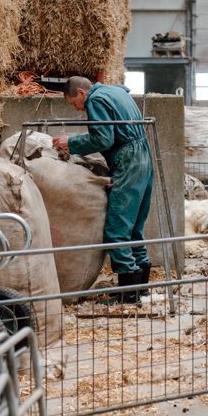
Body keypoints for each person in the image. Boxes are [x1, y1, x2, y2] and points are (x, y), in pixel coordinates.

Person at [53, 76, 153, 303]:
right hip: (144, 156)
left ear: (80, 93)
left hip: (128, 160)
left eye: (73, 103)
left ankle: (128, 294)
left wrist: (72, 143)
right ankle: (141, 286)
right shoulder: (116, 92)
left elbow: (103, 139)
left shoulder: (95, 100)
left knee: (116, 229)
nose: (78, 109)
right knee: (134, 227)